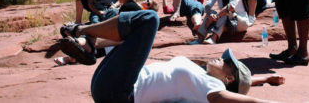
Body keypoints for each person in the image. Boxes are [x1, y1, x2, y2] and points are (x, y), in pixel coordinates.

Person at [60, 9, 285, 103]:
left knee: (149, 19)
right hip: (109, 82)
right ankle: (88, 44)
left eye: (227, 63)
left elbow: (250, 102)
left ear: (228, 79)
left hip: (120, 92)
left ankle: (82, 33)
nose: (222, 59)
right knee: (112, 14)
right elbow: (244, 85)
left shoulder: (210, 89)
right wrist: (264, 79)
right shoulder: (203, 76)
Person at [55, 0, 142, 66]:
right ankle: (77, 48)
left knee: (92, 37)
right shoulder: (134, 7)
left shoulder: (126, 8)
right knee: (92, 38)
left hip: (121, 43)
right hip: (127, 42)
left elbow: (115, 27)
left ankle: (75, 50)